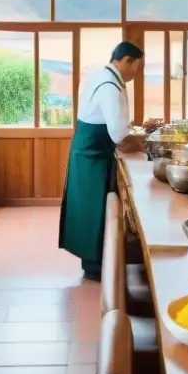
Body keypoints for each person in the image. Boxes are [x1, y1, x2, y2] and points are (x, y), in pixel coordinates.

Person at [60, 41, 145, 280]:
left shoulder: (103, 75)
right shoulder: (109, 85)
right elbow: (119, 134)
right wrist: (141, 142)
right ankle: (96, 267)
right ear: (126, 60)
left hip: (89, 151)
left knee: (90, 210)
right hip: (92, 155)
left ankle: (95, 263)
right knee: (94, 211)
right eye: (136, 67)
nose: (135, 73)